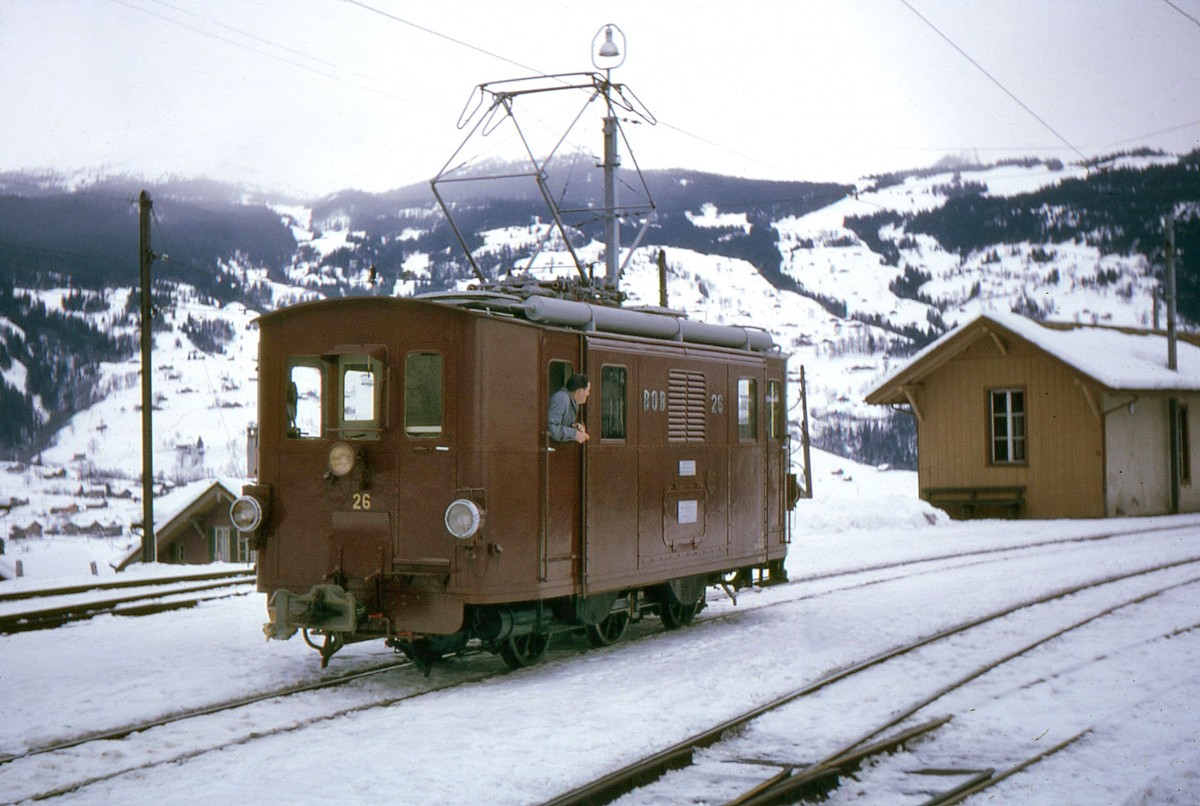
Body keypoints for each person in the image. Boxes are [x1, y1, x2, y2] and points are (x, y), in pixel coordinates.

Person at [548, 373, 590, 443]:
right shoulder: (562, 399)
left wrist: (573, 428)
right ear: (580, 391)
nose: (588, 394)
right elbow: (551, 428)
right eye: (587, 391)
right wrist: (574, 434)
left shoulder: (570, 401)